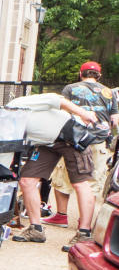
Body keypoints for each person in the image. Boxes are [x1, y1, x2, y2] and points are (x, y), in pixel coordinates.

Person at [9, 92, 98, 246]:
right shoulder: (5, 129)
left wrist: (83, 113)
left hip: (70, 135)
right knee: (27, 181)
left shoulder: (15, 105)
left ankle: (84, 234)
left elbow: (55, 99)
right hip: (46, 143)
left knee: (80, 183)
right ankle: (35, 229)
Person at [45, 62, 118, 246]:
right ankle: (84, 223)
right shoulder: (109, 92)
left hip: (75, 139)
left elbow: (62, 111)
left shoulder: (70, 88)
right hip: (99, 141)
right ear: (98, 76)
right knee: (91, 182)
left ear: (81, 73)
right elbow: (114, 120)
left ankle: (61, 216)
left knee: (62, 176)